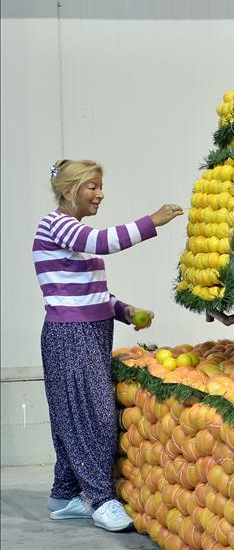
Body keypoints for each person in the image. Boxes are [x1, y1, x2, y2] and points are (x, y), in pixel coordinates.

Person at [32, 159, 183, 532]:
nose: (101, 194)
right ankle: (101, 500)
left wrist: (124, 310)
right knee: (94, 416)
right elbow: (104, 242)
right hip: (72, 337)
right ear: (69, 191)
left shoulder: (73, 234)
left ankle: (65, 495)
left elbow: (87, 292)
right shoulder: (58, 226)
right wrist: (153, 220)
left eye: (100, 186)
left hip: (90, 332)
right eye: (92, 187)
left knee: (73, 417)